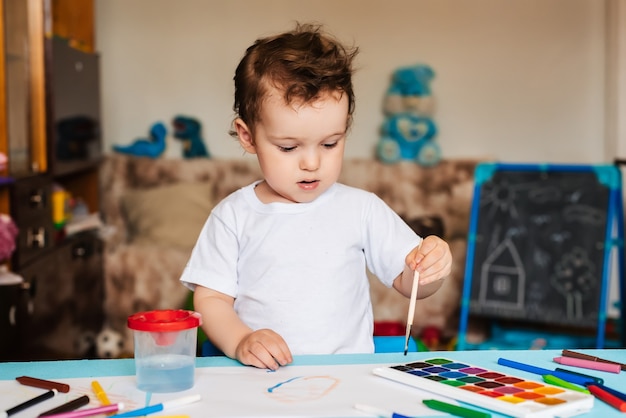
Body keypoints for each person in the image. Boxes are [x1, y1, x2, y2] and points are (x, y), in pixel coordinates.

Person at [180, 23, 452, 370]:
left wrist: (430, 268)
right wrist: (240, 341)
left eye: (329, 143)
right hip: (259, 380)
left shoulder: (361, 208)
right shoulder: (233, 215)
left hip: (348, 379)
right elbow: (211, 298)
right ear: (247, 137)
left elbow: (409, 283)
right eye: (288, 147)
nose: (312, 163)